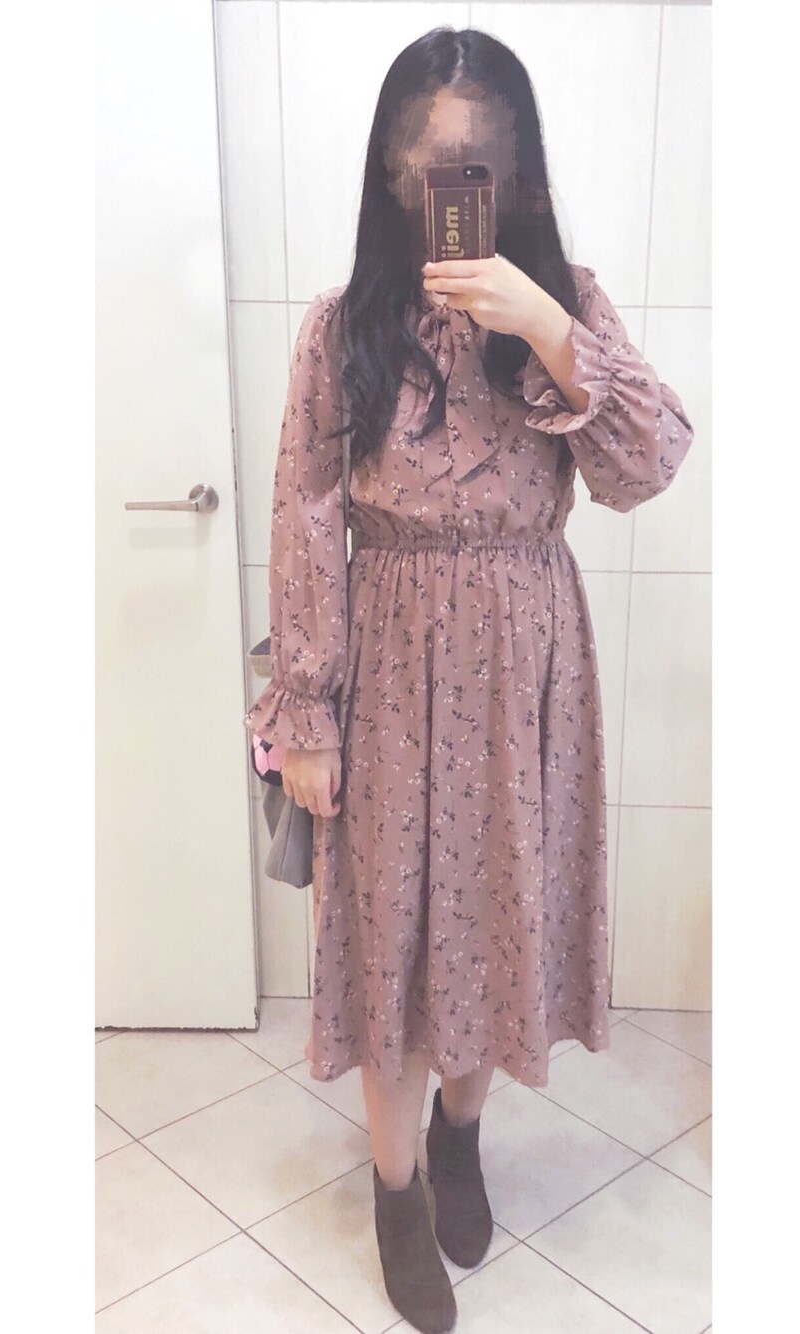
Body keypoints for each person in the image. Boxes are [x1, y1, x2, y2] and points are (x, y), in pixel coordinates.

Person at [244, 26, 694, 1334]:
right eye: (429, 165)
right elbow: (303, 512)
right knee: (388, 935)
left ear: (519, 173)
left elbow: (649, 464)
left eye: (479, 165)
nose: (451, 189)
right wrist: (306, 712)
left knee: (497, 917)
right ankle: (396, 1192)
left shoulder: (566, 311)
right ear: (392, 173)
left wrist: (546, 324)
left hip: (525, 669)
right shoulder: (345, 326)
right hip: (389, 658)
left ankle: (459, 1137)